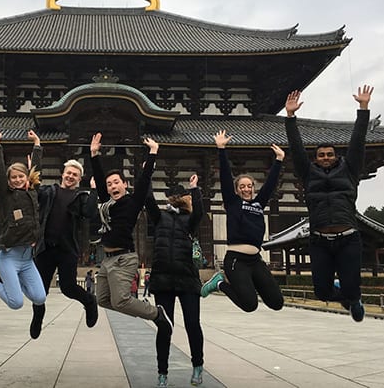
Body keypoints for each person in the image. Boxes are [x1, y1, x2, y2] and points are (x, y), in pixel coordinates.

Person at [284, 85, 374, 322]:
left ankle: (353, 298)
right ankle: (347, 299)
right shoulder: (308, 173)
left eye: (330, 154)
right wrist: (290, 117)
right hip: (320, 240)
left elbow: (358, 142)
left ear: (337, 156)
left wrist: (363, 108)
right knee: (321, 291)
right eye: (321, 155)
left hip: (348, 238)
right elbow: (296, 149)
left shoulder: (350, 170)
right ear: (316, 158)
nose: (326, 158)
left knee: (353, 287)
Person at [89, 132, 173, 333]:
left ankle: (156, 314)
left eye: (116, 182)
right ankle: (147, 311)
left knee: (121, 301)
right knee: (103, 300)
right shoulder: (107, 203)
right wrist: (94, 154)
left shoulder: (132, 203)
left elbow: (143, 182)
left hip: (123, 258)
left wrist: (153, 152)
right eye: (110, 184)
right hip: (107, 260)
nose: (112, 186)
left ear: (124, 184)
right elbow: (100, 181)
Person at [201, 131, 285, 314]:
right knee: (249, 305)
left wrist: (279, 160)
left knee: (277, 303)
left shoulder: (258, 204)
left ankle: (249, 283)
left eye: (249, 186)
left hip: (255, 260)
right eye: (242, 186)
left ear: (253, 188)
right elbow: (224, 178)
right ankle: (220, 283)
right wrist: (221, 149)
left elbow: (270, 185)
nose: (246, 189)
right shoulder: (233, 202)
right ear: (237, 190)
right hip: (236, 260)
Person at [145, 174, 205, 386]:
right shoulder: (159, 217)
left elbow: (200, 212)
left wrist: (195, 189)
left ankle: (197, 365)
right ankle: (162, 372)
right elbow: (147, 199)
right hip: (163, 279)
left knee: (192, 324)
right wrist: (147, 175)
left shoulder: (190, 221)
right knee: (165, 327)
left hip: (187, 278)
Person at [29, 159, 99, 339]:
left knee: (68, 287)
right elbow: (33, 190)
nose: (70, 176)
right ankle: (37, 318)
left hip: (67, 248)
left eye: (75, 175)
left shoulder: (81, 197)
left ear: (79, 178)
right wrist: (34, 164)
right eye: (68, 173)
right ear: (62, 173)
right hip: (45, 248)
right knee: (39, 291)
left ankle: (89, 301)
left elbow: (89, 213)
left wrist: (93, 190)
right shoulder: (48, 191)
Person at [0, 130, 47, 323]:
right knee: (16, 302)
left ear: (27, 178)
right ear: (9, 181)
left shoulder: (33, 191)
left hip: (27, 258)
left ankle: (16, 281)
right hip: (8, 257)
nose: (18, 180)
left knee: (40, 298)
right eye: (14, 178)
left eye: (21, 176)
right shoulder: (7, 196)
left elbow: (36, 170)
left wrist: (37, 143)